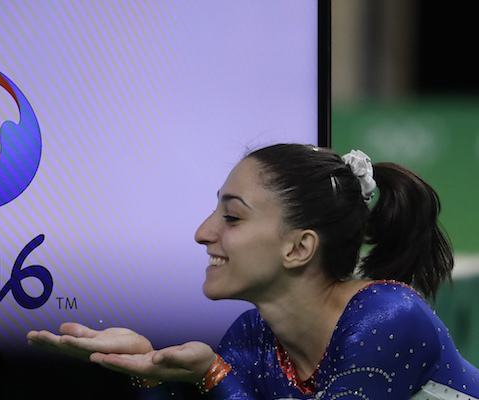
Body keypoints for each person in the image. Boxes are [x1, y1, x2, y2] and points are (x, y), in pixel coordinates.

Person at [27, 143, 479, 399]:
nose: (203, 232)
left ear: (299, 247)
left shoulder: (387, 318)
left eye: (233, 217)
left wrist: (213, 377)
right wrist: (145, 370)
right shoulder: (253, 337)